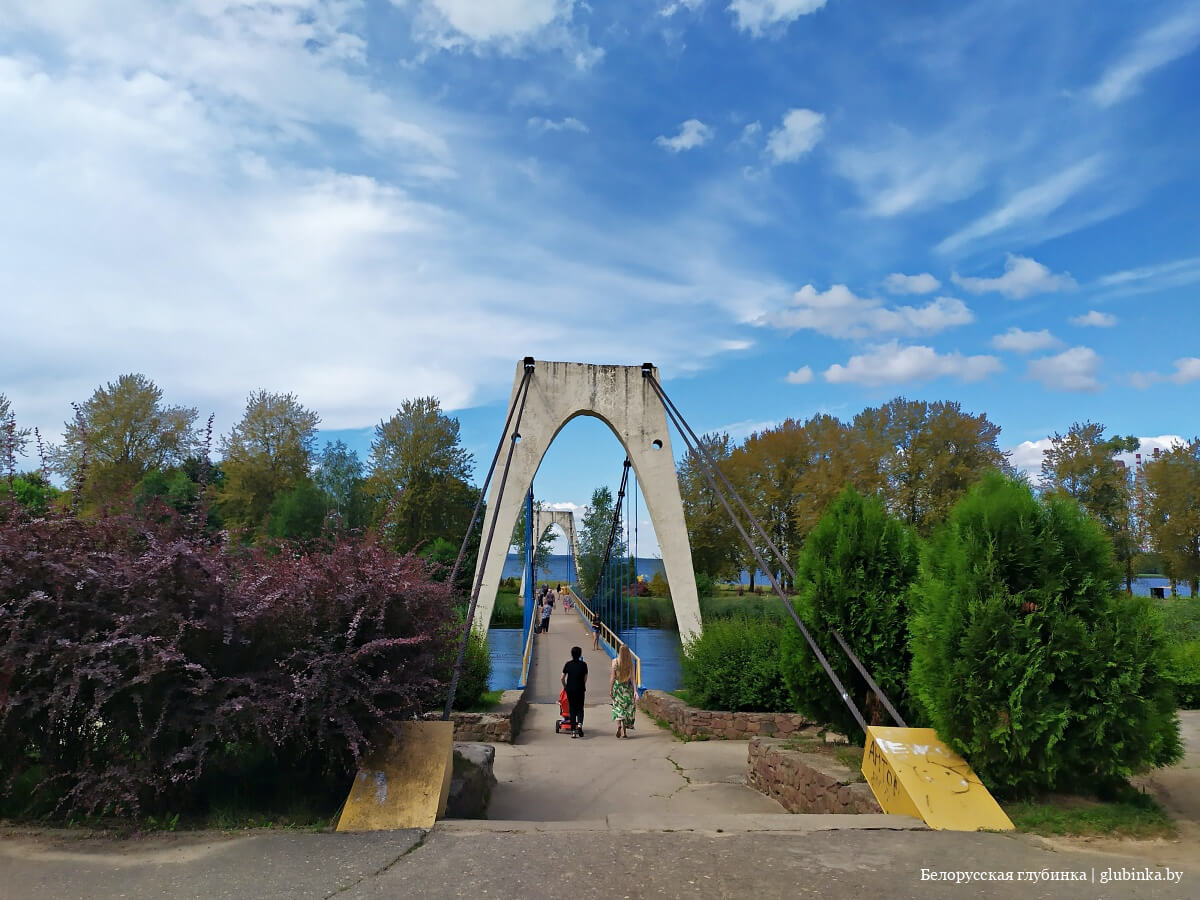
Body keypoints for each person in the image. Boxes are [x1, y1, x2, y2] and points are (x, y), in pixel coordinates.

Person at [610, 645, 636, 738]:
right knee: (626, 709)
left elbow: (612, 678)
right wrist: (635, 691)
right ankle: (624, 733)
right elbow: (633, 679)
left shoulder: (615, 662)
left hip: (617, 688)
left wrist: (610, 690)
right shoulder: (630, 664)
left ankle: (619, 726)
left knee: (618, 708)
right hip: (627, 688)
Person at [561, 646, 588, 738]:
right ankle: (579, 725)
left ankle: (573, 731)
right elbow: (585, 678)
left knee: (572, 709)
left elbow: (562, 678)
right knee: (580, 708)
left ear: (572, 654)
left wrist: (565, 687)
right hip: (580, 689)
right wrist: (582, 685)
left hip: (570, 689)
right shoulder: (583, 665)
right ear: (580, 654)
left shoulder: (568, 664)